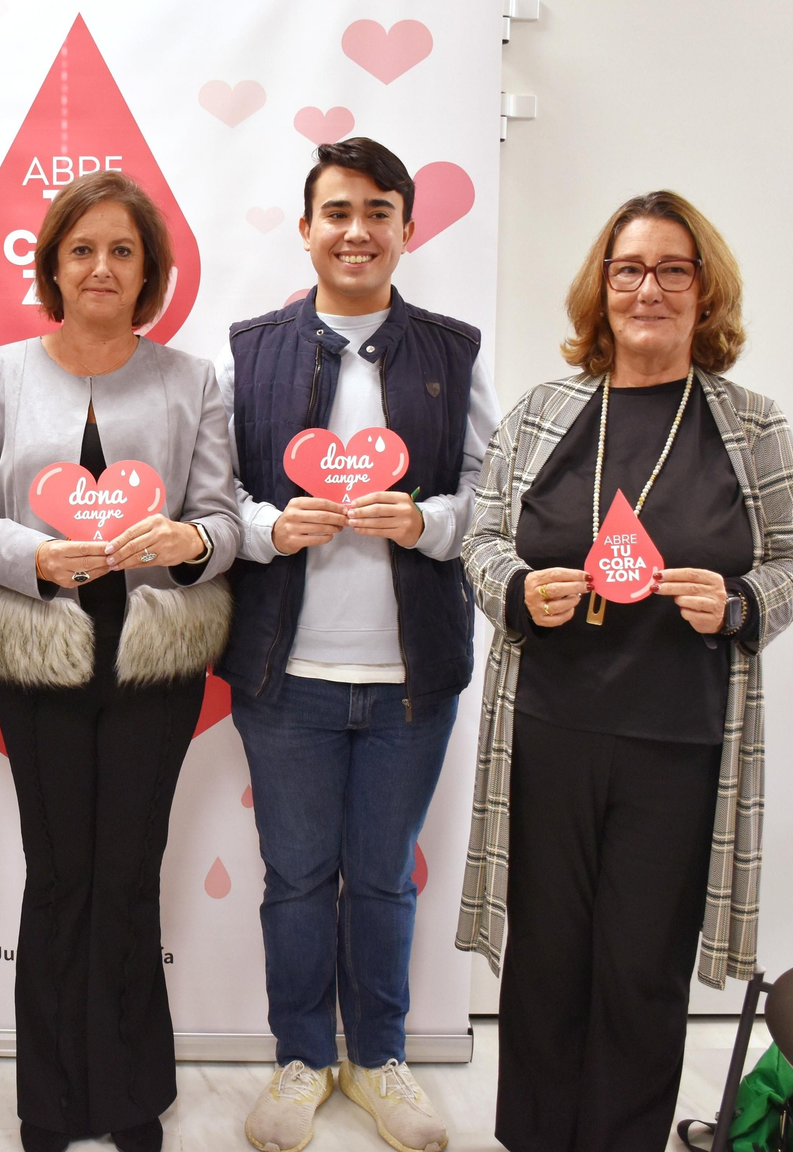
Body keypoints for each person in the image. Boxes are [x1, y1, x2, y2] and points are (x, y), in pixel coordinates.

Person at [455, 191, 793, 1151]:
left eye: (671, 270)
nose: (647, 288)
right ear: (600, 288)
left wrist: (740, 603)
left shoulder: (751, 424)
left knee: (639, 971)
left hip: (681, 742)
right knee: (544, 963)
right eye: (628, 270)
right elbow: (483, 539)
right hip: (550, 733)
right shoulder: (543, 411)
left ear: (705, 291)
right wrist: (519, 589)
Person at [0, 169, 240, 1152]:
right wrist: (34, 555)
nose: (102, 266)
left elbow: (224, 517)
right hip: (43, 653)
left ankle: (129, 1092)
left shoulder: (193, 379)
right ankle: (50, 1098)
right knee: (59, 872)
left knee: (128, 871)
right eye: (82, 249)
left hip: (153, 658)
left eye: (122, 250)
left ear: (149, 269)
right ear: (52, 265)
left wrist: (187, 544)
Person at [216, 137, 500, 1152]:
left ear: (406, 230)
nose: (356, 229)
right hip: (281, 672)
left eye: (378, 211)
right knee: (293, 875)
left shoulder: (454, 351)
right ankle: (301, 1055)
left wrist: (423, 521)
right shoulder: (247, 349)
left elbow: (490, 496)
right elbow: (219, 496)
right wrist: (265, 528)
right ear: (305, 229)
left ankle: (379, 1056)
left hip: (408, 677)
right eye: (337, 210)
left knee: (381, 875)